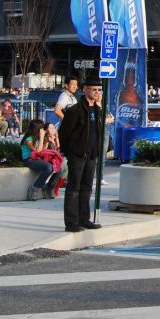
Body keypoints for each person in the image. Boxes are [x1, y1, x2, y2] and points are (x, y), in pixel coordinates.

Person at [57, 78, 108, 232]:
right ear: (85, 89)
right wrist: (70, 152)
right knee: (74, 188)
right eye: (94, 90)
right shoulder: (75, 111)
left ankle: (84, 219)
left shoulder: (98, 110)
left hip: (92, 154)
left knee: (87, 188)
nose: (97, 93)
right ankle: (71, 222)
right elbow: (64, 133)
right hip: (78, 154)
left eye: (99, 90)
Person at [20, 119, 62, 201]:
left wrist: (46, 141)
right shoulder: (29, 140)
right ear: (37, 129)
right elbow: (38, 152)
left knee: (58, 168)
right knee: (48, 167)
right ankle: (35, 188)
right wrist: (42, 137)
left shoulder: (37, 138)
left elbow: (42, 152)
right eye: (42, 128)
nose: (43, 130)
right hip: (29, 160)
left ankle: (49, 188)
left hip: (38, 159)